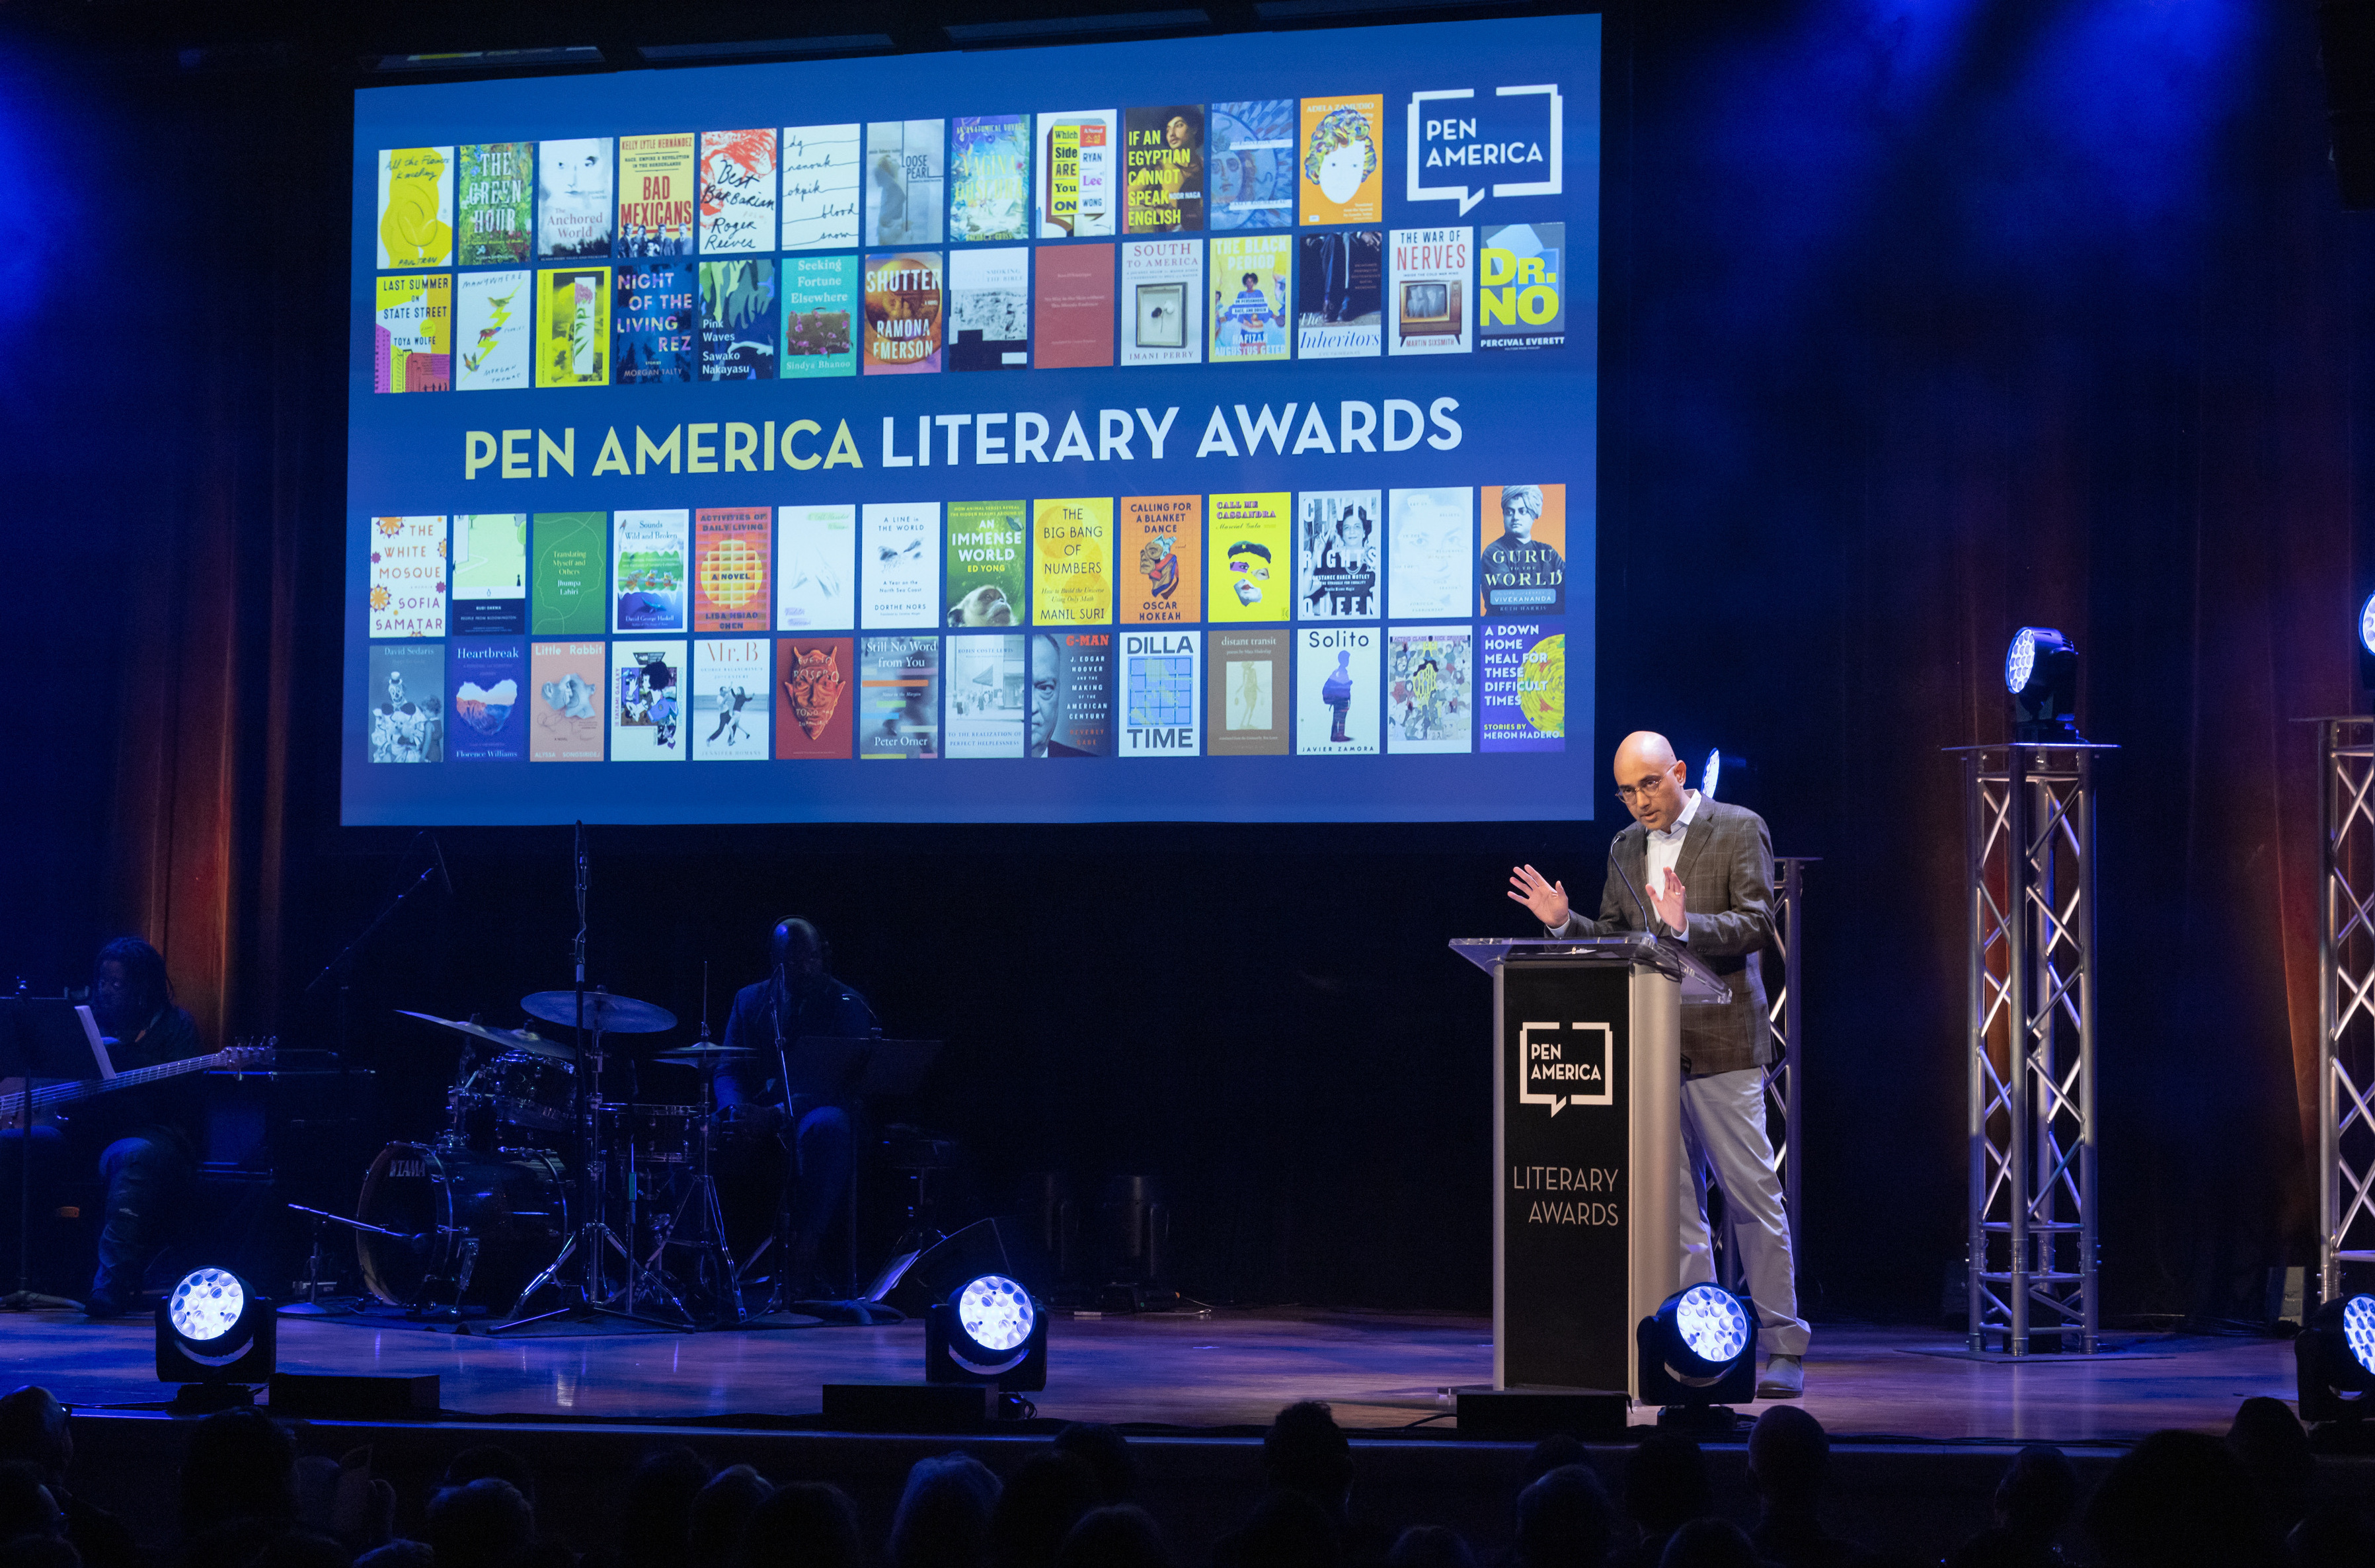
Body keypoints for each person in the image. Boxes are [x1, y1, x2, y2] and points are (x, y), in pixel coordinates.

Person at [1505, 730, 1809, 1397]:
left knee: (1751, 1198)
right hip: (1649, 1045)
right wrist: (1563, 923)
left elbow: (1757, 922)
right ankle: (1698, 1347)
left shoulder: (1737, 828)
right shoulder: (1622, 846)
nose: (1638, 800)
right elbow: (1619, 938)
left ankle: (1785, 1345)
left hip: (1722, 1042)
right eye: (1625, 789)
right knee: (1676, 1213)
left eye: (1648, 783)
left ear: (1676, 771)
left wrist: (1686, 924)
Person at [718, 920, 875, 1300]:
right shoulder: (750, 999)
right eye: (796, 959)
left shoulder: (845, 1004)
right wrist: (735, 1109)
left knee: (829, 1127)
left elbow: (838, 1082)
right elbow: (728, 1067)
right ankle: (707, 1268)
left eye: (813, 957)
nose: (807, 967)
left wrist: (775, 1114)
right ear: (777, 960)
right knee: (702, 1134)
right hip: (756, 1111)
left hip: (814, 1109)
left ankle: (803, 1254)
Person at [65, 939, 206, 1317]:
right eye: (103, 983)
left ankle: (110, 1288)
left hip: (154, 1138)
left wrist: (124, 1058)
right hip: (88, 1135)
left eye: (118, 985)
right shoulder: (86, 1024)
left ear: (143, 989)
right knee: (19, 1143)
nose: (107, 992)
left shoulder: (177, 1027)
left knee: (133, 1156)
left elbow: (183, 1100)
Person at [1480, 485, 1565, 617]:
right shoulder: (1493, 553)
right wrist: (1551, 587)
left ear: (1533, 514)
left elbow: (1569, 589)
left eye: (1522, 511)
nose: (1515, 517)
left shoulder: (1548, 551)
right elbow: (1510, 596)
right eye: (1509, 512)